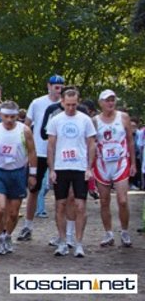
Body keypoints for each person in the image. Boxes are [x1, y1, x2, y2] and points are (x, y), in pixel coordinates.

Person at [47, 88, 95, 257]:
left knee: (80, 205)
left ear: (78, 102)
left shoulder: (85, 120)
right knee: (60, 204)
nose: (71, 108)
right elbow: (50, 146)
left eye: (74, 104)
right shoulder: (56, 120)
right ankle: (62, 241)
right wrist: (51, 169)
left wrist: (89, 167)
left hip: (80, 167)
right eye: (68, 104)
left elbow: (91, 144)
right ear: (62, 102)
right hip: (61, 167)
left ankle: (78, 243)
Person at [18, 74, 64, 242]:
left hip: (59, 153)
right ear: (48, 86)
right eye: (55, 86)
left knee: (61, 193)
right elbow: (26, 126)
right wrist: (25, 149)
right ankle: (28, 226)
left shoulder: (66, 104)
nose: (58, 89)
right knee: (33, 189)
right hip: (39, 152)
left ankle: (61, 233)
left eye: (61, 87)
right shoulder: (37, 103)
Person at [0, 101, 36, 255]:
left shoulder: (25, 131)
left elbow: (32, 151)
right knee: (0, 209)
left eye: (12, 117)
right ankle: (0, 237)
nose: (9, 120)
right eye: (6, 116)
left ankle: (8, 235)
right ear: (1, 115)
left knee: (13, 212)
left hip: (18, 173)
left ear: (17, 116)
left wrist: (33, 174)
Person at [93, 90, 135, 247]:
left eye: (112, 100)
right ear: (100, 103)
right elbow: (91, 143)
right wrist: (89, 166)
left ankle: (124, 231)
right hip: (102, 164)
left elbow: (130, 140)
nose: (110, 103)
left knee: (122, 200)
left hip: (121, 162)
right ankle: (108, 233)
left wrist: (133, 163)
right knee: (104, 201)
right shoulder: (95, 121)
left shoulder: (123, 117)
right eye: (107, 100)